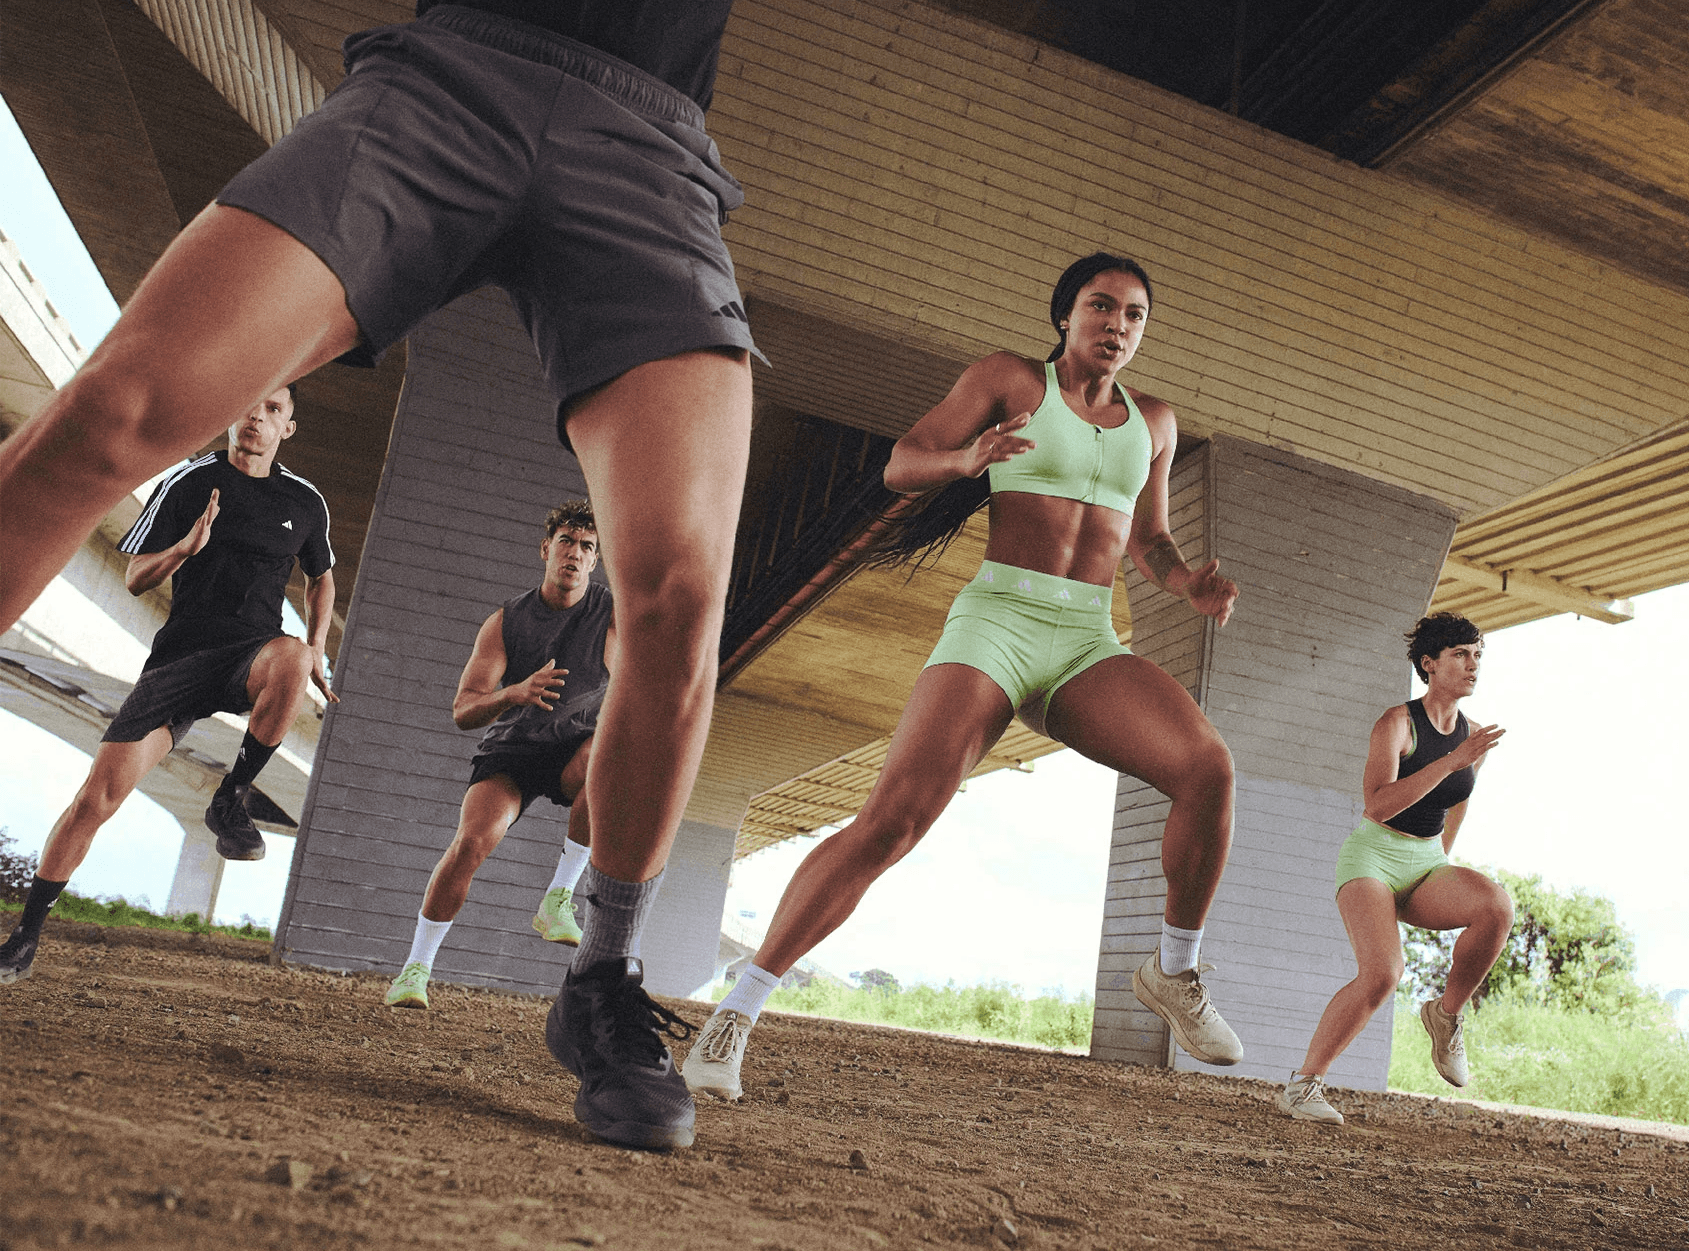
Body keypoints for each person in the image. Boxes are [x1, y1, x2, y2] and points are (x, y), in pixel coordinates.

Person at [0, 2, 759, 1151]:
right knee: (112, 415)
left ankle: (601, 979)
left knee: (681, 595)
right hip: (447, 79)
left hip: (645, 146)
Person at [682, 253, 1244, 1101]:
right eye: (1101, 307)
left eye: (1134, 315)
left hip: (1085, 637)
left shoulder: (1154, 423)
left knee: (1208, 768)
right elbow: (902, 461)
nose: (1117, 326)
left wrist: (1185, 583)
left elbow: (1151, 539)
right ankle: (738, 1009)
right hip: (999, 622)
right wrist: (967, 459)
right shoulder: (1010, 380)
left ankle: (1175, 971)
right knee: (891, 823)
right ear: (1065, 315)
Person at [0, 385, 336, 983]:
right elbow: (133, 577)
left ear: (288, 427)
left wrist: (317, 644)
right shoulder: (186, 483)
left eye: (272, 410)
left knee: (291, 658)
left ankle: (231, 796)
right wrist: (184, 548)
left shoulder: (306, 502)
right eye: (248, 404)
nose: (255, 416)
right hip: (179, 660)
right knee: (94, 800)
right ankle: (25, 935)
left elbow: (321, 578)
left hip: (250, 654)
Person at [1276, 612, 1512, 1125]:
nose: (1473, 665)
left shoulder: (1471, 736)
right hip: (1372, 858)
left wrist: (1439, 861)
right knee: (1383, 973)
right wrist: (1451, 761)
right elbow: (1377, 804)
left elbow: (1457, 804)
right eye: (1460, 655)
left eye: (1478, 655)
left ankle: (1446, 1016)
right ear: (1429, 664)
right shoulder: (1397, 723)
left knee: (1497, 905)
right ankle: (1302, 1087)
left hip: (1425, 862)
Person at [383, 499, 611, 1010]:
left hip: (577, 747)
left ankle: (558, 898)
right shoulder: (506, 621)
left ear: (595, 561)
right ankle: (415, 970)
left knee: (611, 758)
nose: (574, 554)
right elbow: (463, 710)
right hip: (515, 749)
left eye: (587, 547)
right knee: (472, 842)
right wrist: (514, 693)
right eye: (566, 543)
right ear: (546, 550)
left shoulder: (609, 613)